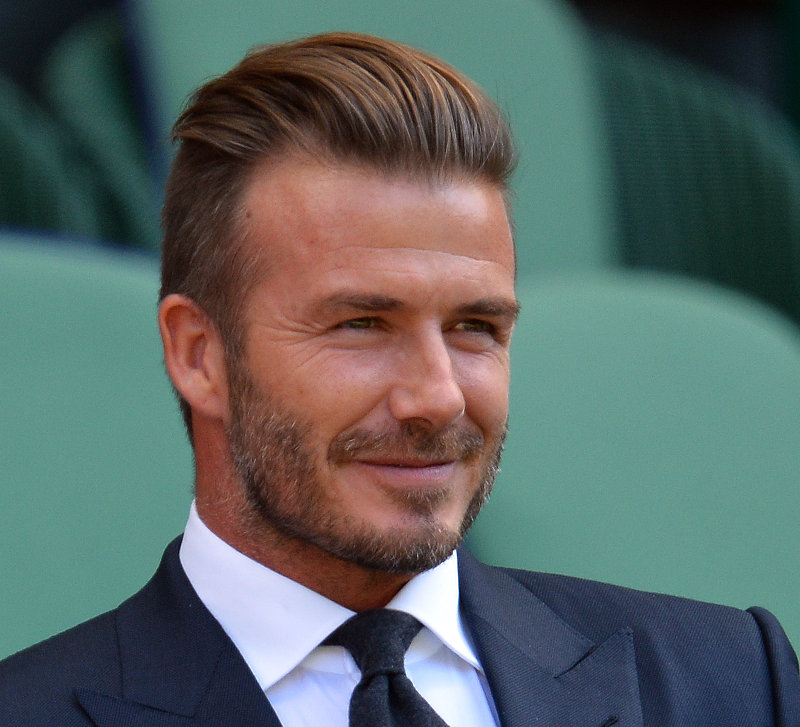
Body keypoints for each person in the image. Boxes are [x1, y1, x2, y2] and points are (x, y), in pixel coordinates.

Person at [1, 31, 798, 727]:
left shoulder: (730, 682)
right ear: (198, 354)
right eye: (362, 324)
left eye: (475, 327)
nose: (438, 397)